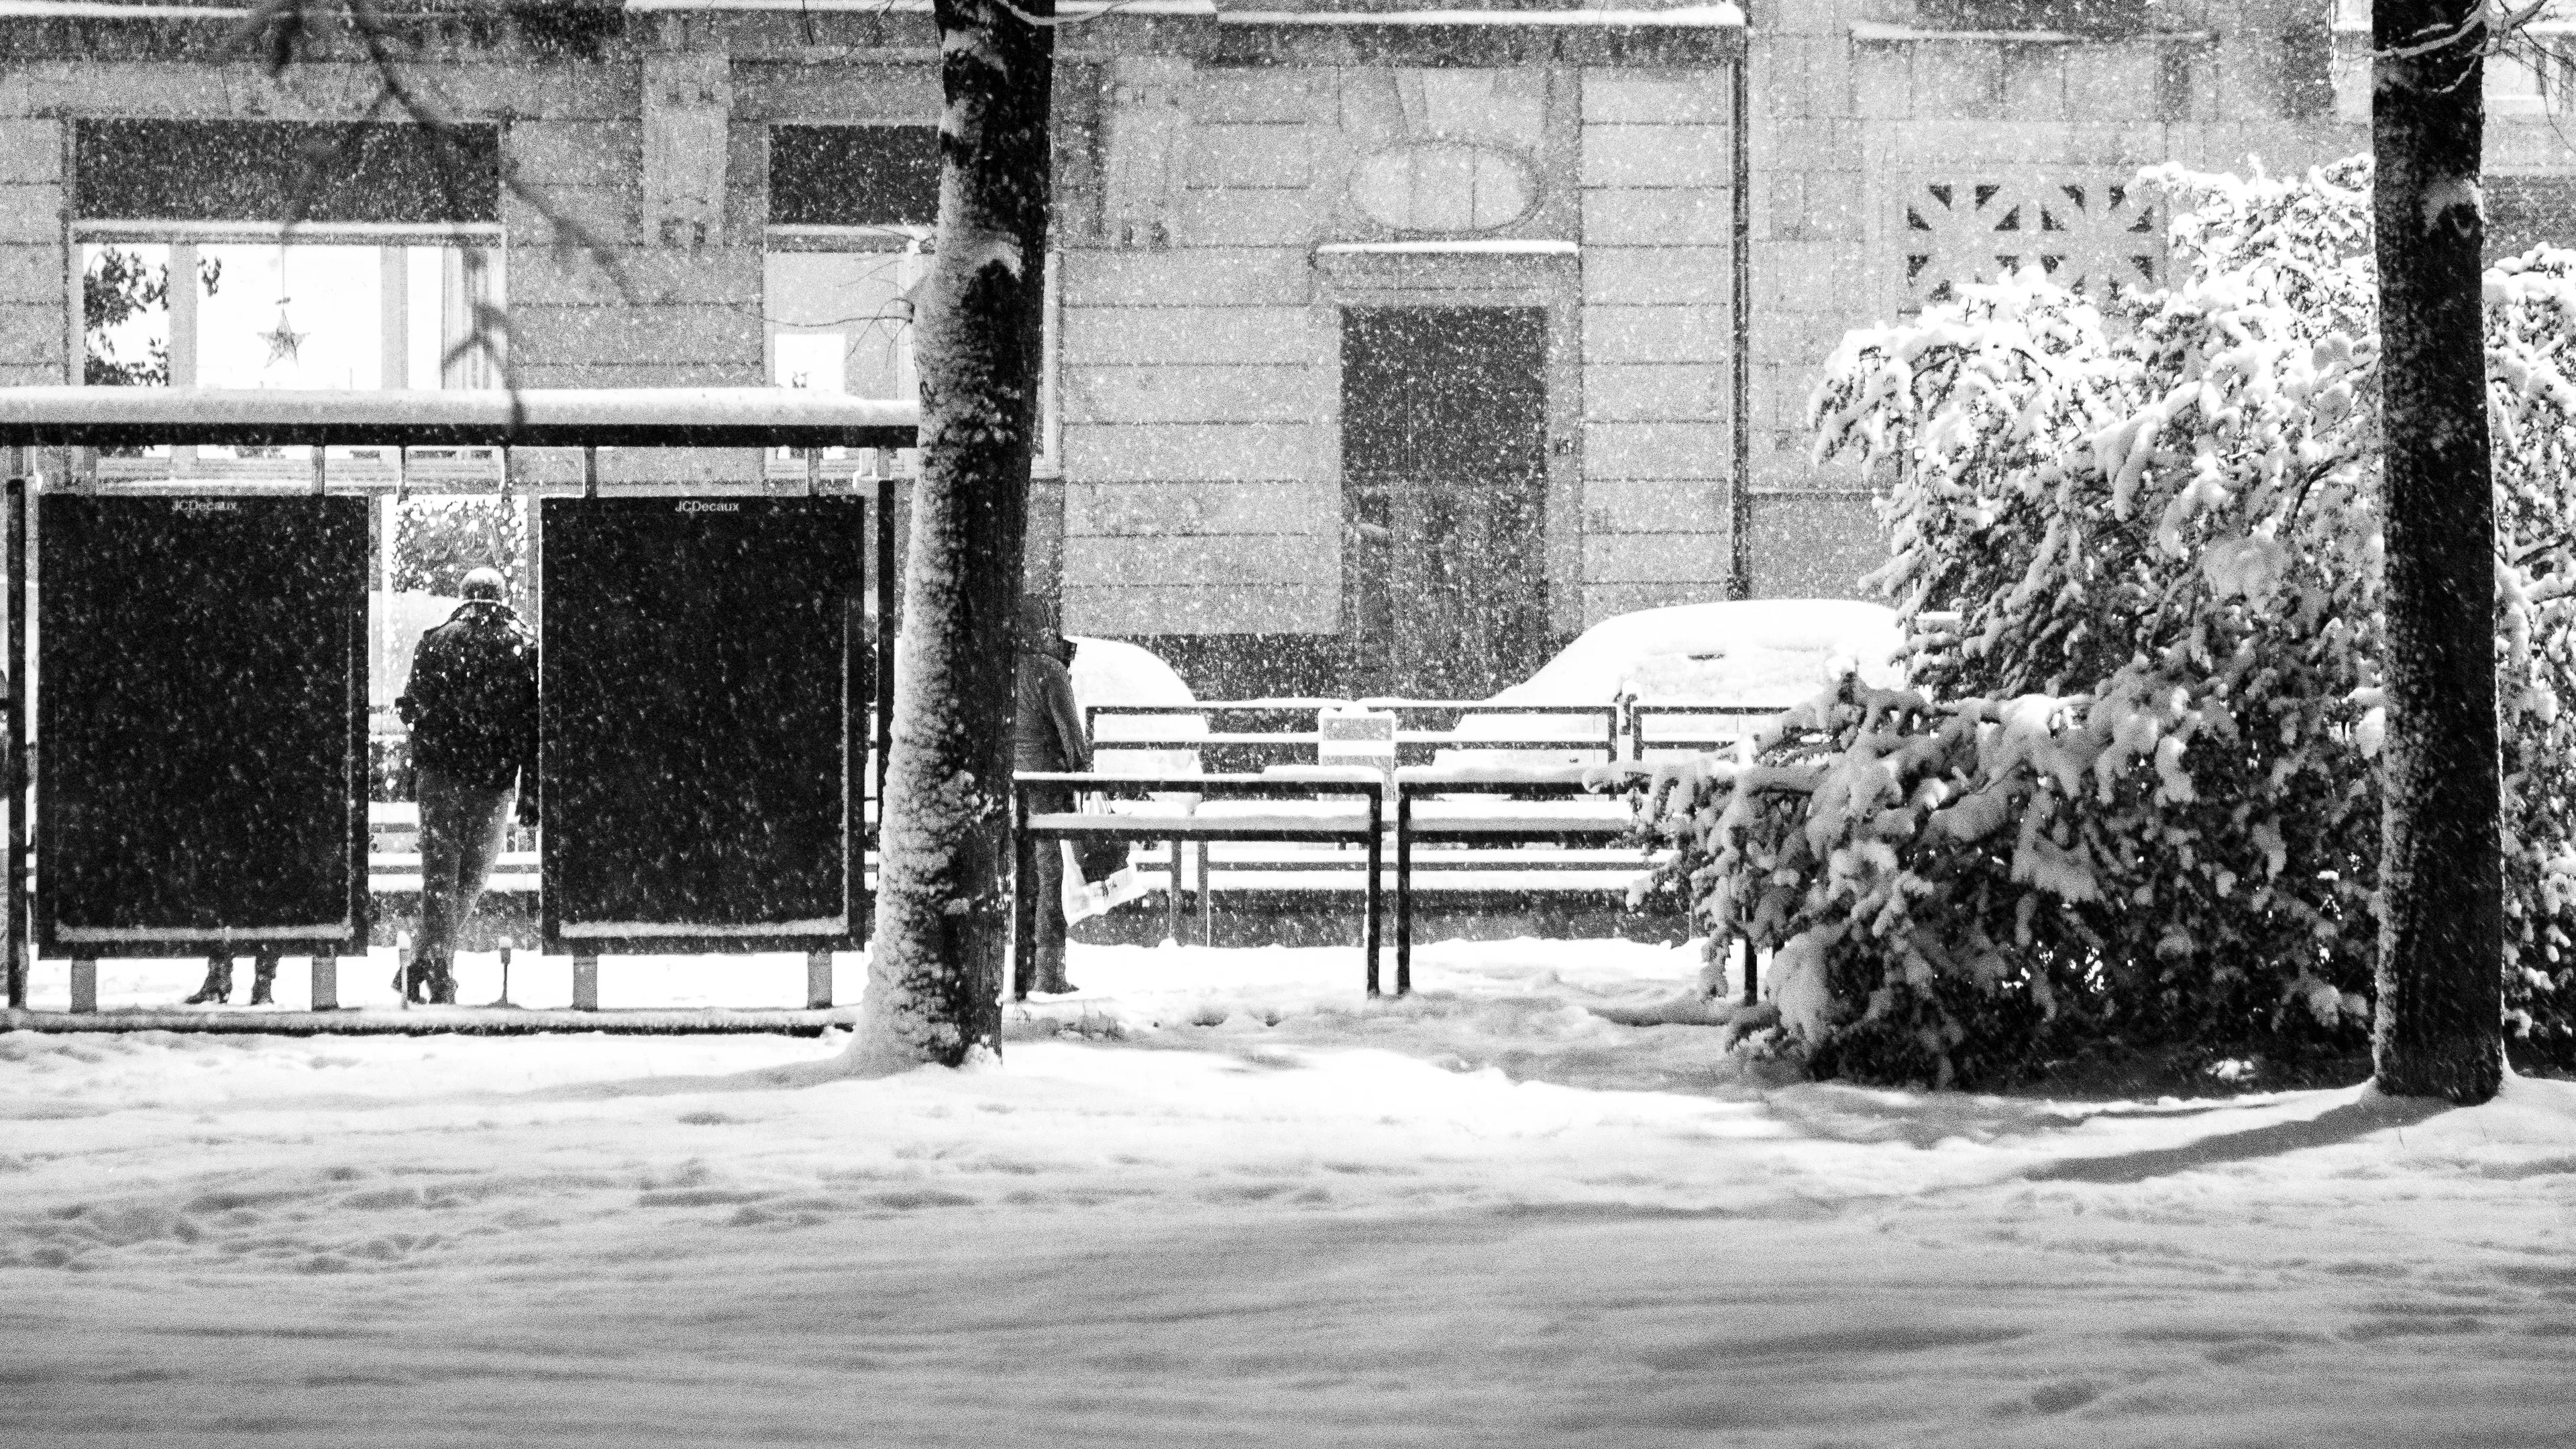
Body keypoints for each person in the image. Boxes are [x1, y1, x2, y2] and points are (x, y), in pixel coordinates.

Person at [394, 567, 537, 1005]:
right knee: (472, 879)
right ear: (501, 596)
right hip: (492, 780)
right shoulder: (524, 645)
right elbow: (532, 726)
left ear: (464, 596)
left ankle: (426, 965)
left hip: (439, 776)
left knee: (439, 879)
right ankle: (434, 968)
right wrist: (530, 788)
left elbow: (411, 705)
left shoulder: (434, 640)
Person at [1016, 623, 1124, 996]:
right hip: (1047, 788)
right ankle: (1049, 973)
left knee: (1022, 878)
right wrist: (1085, 780)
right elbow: (1072, 736)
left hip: (1011, 789)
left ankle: (1021, 970)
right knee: (1050, 878)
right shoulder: (1050, 671)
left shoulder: (1002, 670)